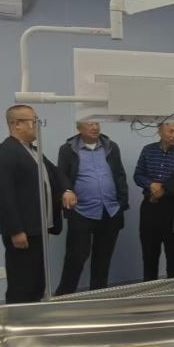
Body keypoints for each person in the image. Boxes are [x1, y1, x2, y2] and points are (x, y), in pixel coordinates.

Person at [0, 105, 67, 304]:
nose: (38, 125)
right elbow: (4, 195)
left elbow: (56, 174)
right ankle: (17, 319)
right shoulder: (5, 152)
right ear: (16, 124)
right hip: (24, 232)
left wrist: (66, 191)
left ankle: (34, 317)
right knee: (21, 283)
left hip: (39, 228)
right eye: (34, 121)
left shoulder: (33, 151)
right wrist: (16, 230)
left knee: (36, 282)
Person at [55, 119, 129, 294]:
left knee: (103, 260)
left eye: (97, 123)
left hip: (110, 211)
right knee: (76, 258)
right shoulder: (67, 149)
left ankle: (98, 297)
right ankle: (64, 297)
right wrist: (67, 191)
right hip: (81, 212)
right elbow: (62, 176)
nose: (95, 127)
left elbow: (120, 175)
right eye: (89, 124)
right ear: (79, 127)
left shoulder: (111, 146)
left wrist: (122, 204)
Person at [134, 122, 174, 281]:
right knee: (149, 253)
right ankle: (150, 288)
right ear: (160, 131)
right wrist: (151, 185)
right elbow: (138, 175)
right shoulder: (148, 150)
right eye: (171, 131)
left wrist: (164, 189)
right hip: (150, 206)